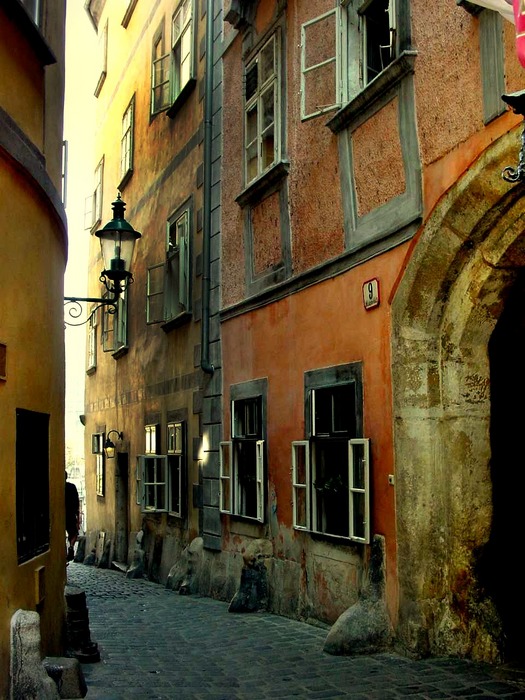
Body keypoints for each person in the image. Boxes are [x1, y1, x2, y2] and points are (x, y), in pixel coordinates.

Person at [65, 472, 80, 562]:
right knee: (73, 533)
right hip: (71, 513)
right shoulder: (72, 487)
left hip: (61, 514)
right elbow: (76, 501)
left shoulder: (57, 487)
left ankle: (63, 551)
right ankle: (71, 546)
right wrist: (77, 515)